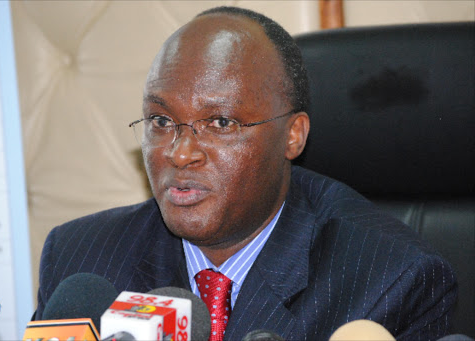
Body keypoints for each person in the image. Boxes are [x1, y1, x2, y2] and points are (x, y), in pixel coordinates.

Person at [34, 6, 457, 340]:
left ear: (293, 135)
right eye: (161, 122)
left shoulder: (390, 280)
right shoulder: (79, 260)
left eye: (221, 123)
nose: (180, 154)